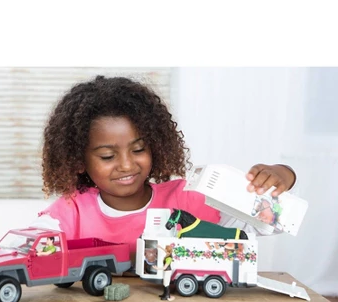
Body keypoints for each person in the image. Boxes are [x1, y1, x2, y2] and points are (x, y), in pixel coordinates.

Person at [31, 75, 297, 269]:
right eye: (108, 156)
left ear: (156, 146)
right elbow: (30, 249)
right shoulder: (72, 211)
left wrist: (285, 174)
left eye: (138, 149)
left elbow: (269, 225)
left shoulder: (188, 197)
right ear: (78, 160)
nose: (127, 165)